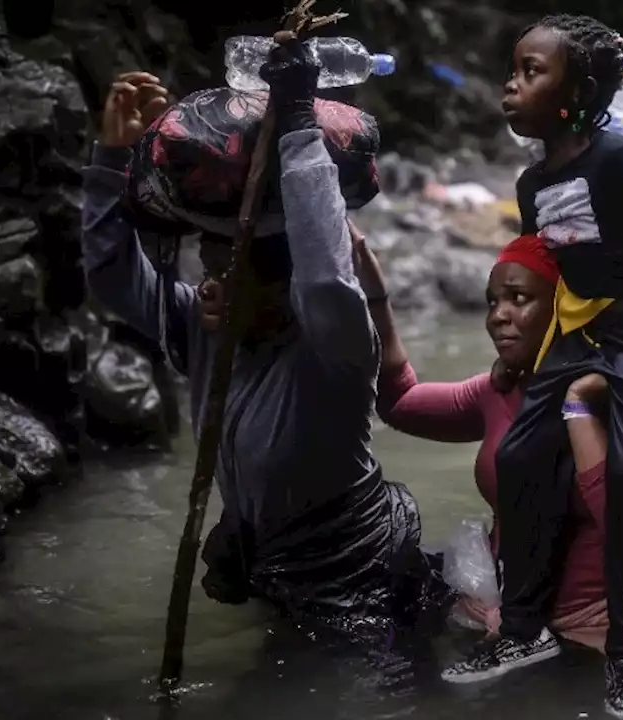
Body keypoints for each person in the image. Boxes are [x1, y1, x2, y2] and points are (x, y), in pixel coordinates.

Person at [81, 51, 439, 641]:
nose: (211, 280)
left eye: (229, 267)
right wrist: (111, 159)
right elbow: (112, 277)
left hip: (357, 569)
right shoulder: (199, 325)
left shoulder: (335, 349)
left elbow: (326, 274)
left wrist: (299, 125)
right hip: (270, 558)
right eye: (210, 263)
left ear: (283, 283)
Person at [454, 14, 623, 719]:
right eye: (512, 70)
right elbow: (543, 270)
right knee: (521, 455)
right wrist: (522, 348)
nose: (510, 85)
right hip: (586, 329)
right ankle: (522, 631)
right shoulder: (530, 183)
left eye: (530, 72)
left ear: (575, 91)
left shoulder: (620, 161)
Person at [347, 232, 623, 663]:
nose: (498, 316)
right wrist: (376, 300)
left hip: (607, 631)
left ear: (565, 308)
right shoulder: (500, 390)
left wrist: (580, 406)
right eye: (493, 301)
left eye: (518, 298)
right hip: (513, 621)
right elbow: (399, 404)